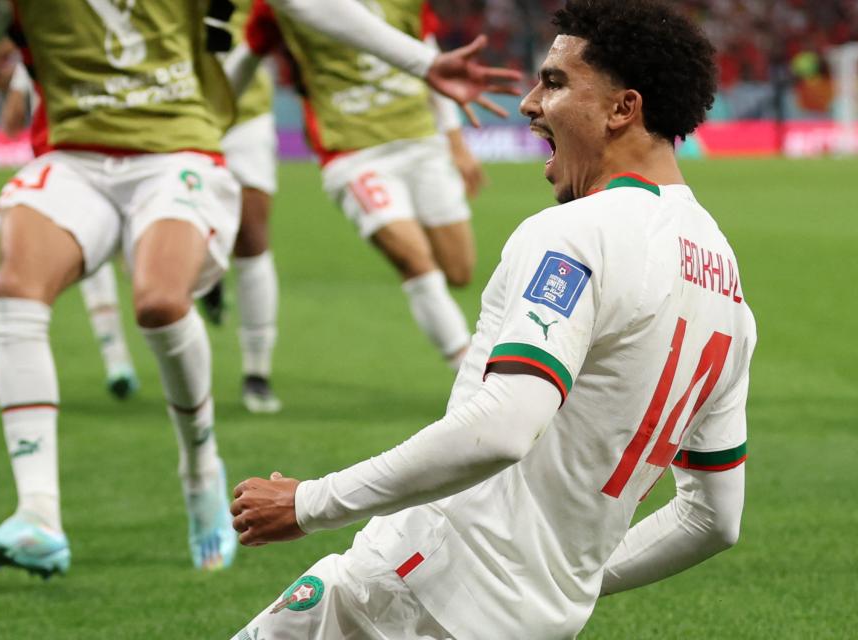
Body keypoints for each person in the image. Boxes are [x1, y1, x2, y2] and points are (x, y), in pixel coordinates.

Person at [0, 0, 520, 578]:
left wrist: (422, 62)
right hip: (73, 160)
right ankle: (39, 515)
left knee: (159, 301)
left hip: (179, 159)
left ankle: (199, 465)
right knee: (15, 285)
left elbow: (306, 5)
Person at [229, 1, 751, 637]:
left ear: (623, 108)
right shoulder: (727, 284)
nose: (530, 103)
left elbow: (505, 425)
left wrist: (310, 502)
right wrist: (556, 584)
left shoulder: (577, 233)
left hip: (413, 590)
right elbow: (713, 520)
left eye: (554, 83)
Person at [225, 0, 489, 370]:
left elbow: (427, 49)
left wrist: (455, 142)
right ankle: (473, 374)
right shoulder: (281, 7)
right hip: (353, 154)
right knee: (413, 260)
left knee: (459, 270)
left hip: (420, 140)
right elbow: (248, 56)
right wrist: (213, 118)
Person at [0, 61, 140, 401]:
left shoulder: (35, 46)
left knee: (95, 261)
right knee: (145, 272)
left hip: (69, 172)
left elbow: (9, 124)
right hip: (125, 165)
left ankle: (117, 360)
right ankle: (123, 362)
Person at [203, 0, 285, 413]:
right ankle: (208, 273)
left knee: (252, 237)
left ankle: (257, 372)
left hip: (244, 114)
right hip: (171, 114)